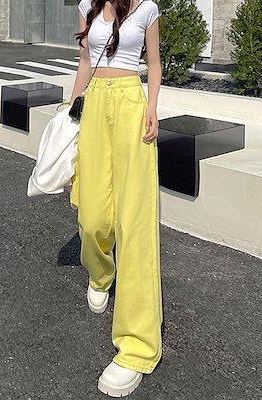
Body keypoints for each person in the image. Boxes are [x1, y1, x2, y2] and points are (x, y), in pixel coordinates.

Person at [69, 0, 162, 396]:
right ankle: (102, 272)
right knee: (92, 217)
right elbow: (84, 62)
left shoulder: (147, 8)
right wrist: (70, 111)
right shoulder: (87, 5)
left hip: (130, 106)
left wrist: (152, 107)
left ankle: (137, 346)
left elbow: (154, 64)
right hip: (94, 106)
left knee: (134, 223)